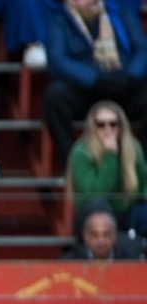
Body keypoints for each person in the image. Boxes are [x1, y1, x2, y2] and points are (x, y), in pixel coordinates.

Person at [44, 0, 147, 165]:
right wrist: (94, 79)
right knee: (55, 95)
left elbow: (142, 49)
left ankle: (141, 165)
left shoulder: (120, 12)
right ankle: (73, 166)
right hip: (87, 90)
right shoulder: (59, 20)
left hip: (124, 85)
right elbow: (57, 60)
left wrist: (131, 77)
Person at [67, 101, 147, 236]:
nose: (108, 128)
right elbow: (97, 194)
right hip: (93, 214)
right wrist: (110, 156)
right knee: (100, 210)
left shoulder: (133, 148)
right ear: (93, 127)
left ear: (121, 127)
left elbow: (144, 182)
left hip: (126, 210)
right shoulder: (81, 153)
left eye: (113, 124)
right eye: (101, 124)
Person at [63, 201, 142, 260]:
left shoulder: (130, 259)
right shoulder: (71, 261)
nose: (101, 240)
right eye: (94, 235)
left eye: (106, 234)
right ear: (85, 237)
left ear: (115, 236)